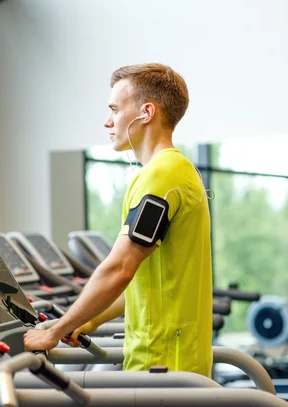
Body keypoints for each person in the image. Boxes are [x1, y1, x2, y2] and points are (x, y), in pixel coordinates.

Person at [23, 63, 213, 376]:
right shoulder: (177, 171)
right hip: (173, 356)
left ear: (146, 112)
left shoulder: (160, 177)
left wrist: (53, 333)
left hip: (163, 361)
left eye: (115, 109)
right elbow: (143, 284)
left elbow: (119, 269)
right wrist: (88, 319)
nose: (108, 121)